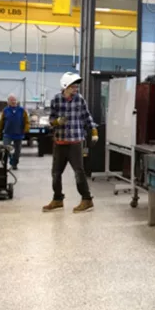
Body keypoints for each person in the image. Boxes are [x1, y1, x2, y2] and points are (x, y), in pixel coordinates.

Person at [43, 72, 98, 213]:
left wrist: (93, 130)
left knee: (79, 172)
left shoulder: (79, 99)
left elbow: (86, 116)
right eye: (73, 86)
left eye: (76, 86)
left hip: (75, 142)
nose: (76, 89)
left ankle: (87, 200)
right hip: (60, 142)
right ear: (65, 86)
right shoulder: (56, 100)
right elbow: (51, 120)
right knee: (56, 173)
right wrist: (56, 122)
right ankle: (57, 200)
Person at [0, 94, 29, 170]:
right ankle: (10, 160)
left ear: (17, 101)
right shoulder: (5, 110)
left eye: (14, 100)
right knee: (6, 150)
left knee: (18, 151)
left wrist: (26, 129)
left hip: (19, 134)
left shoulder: (22, 110)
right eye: (11, 100)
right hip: (7, 134)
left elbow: (26, 121)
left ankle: (15, 163)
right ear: (8, 102)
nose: (13, 102)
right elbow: (1, 122)